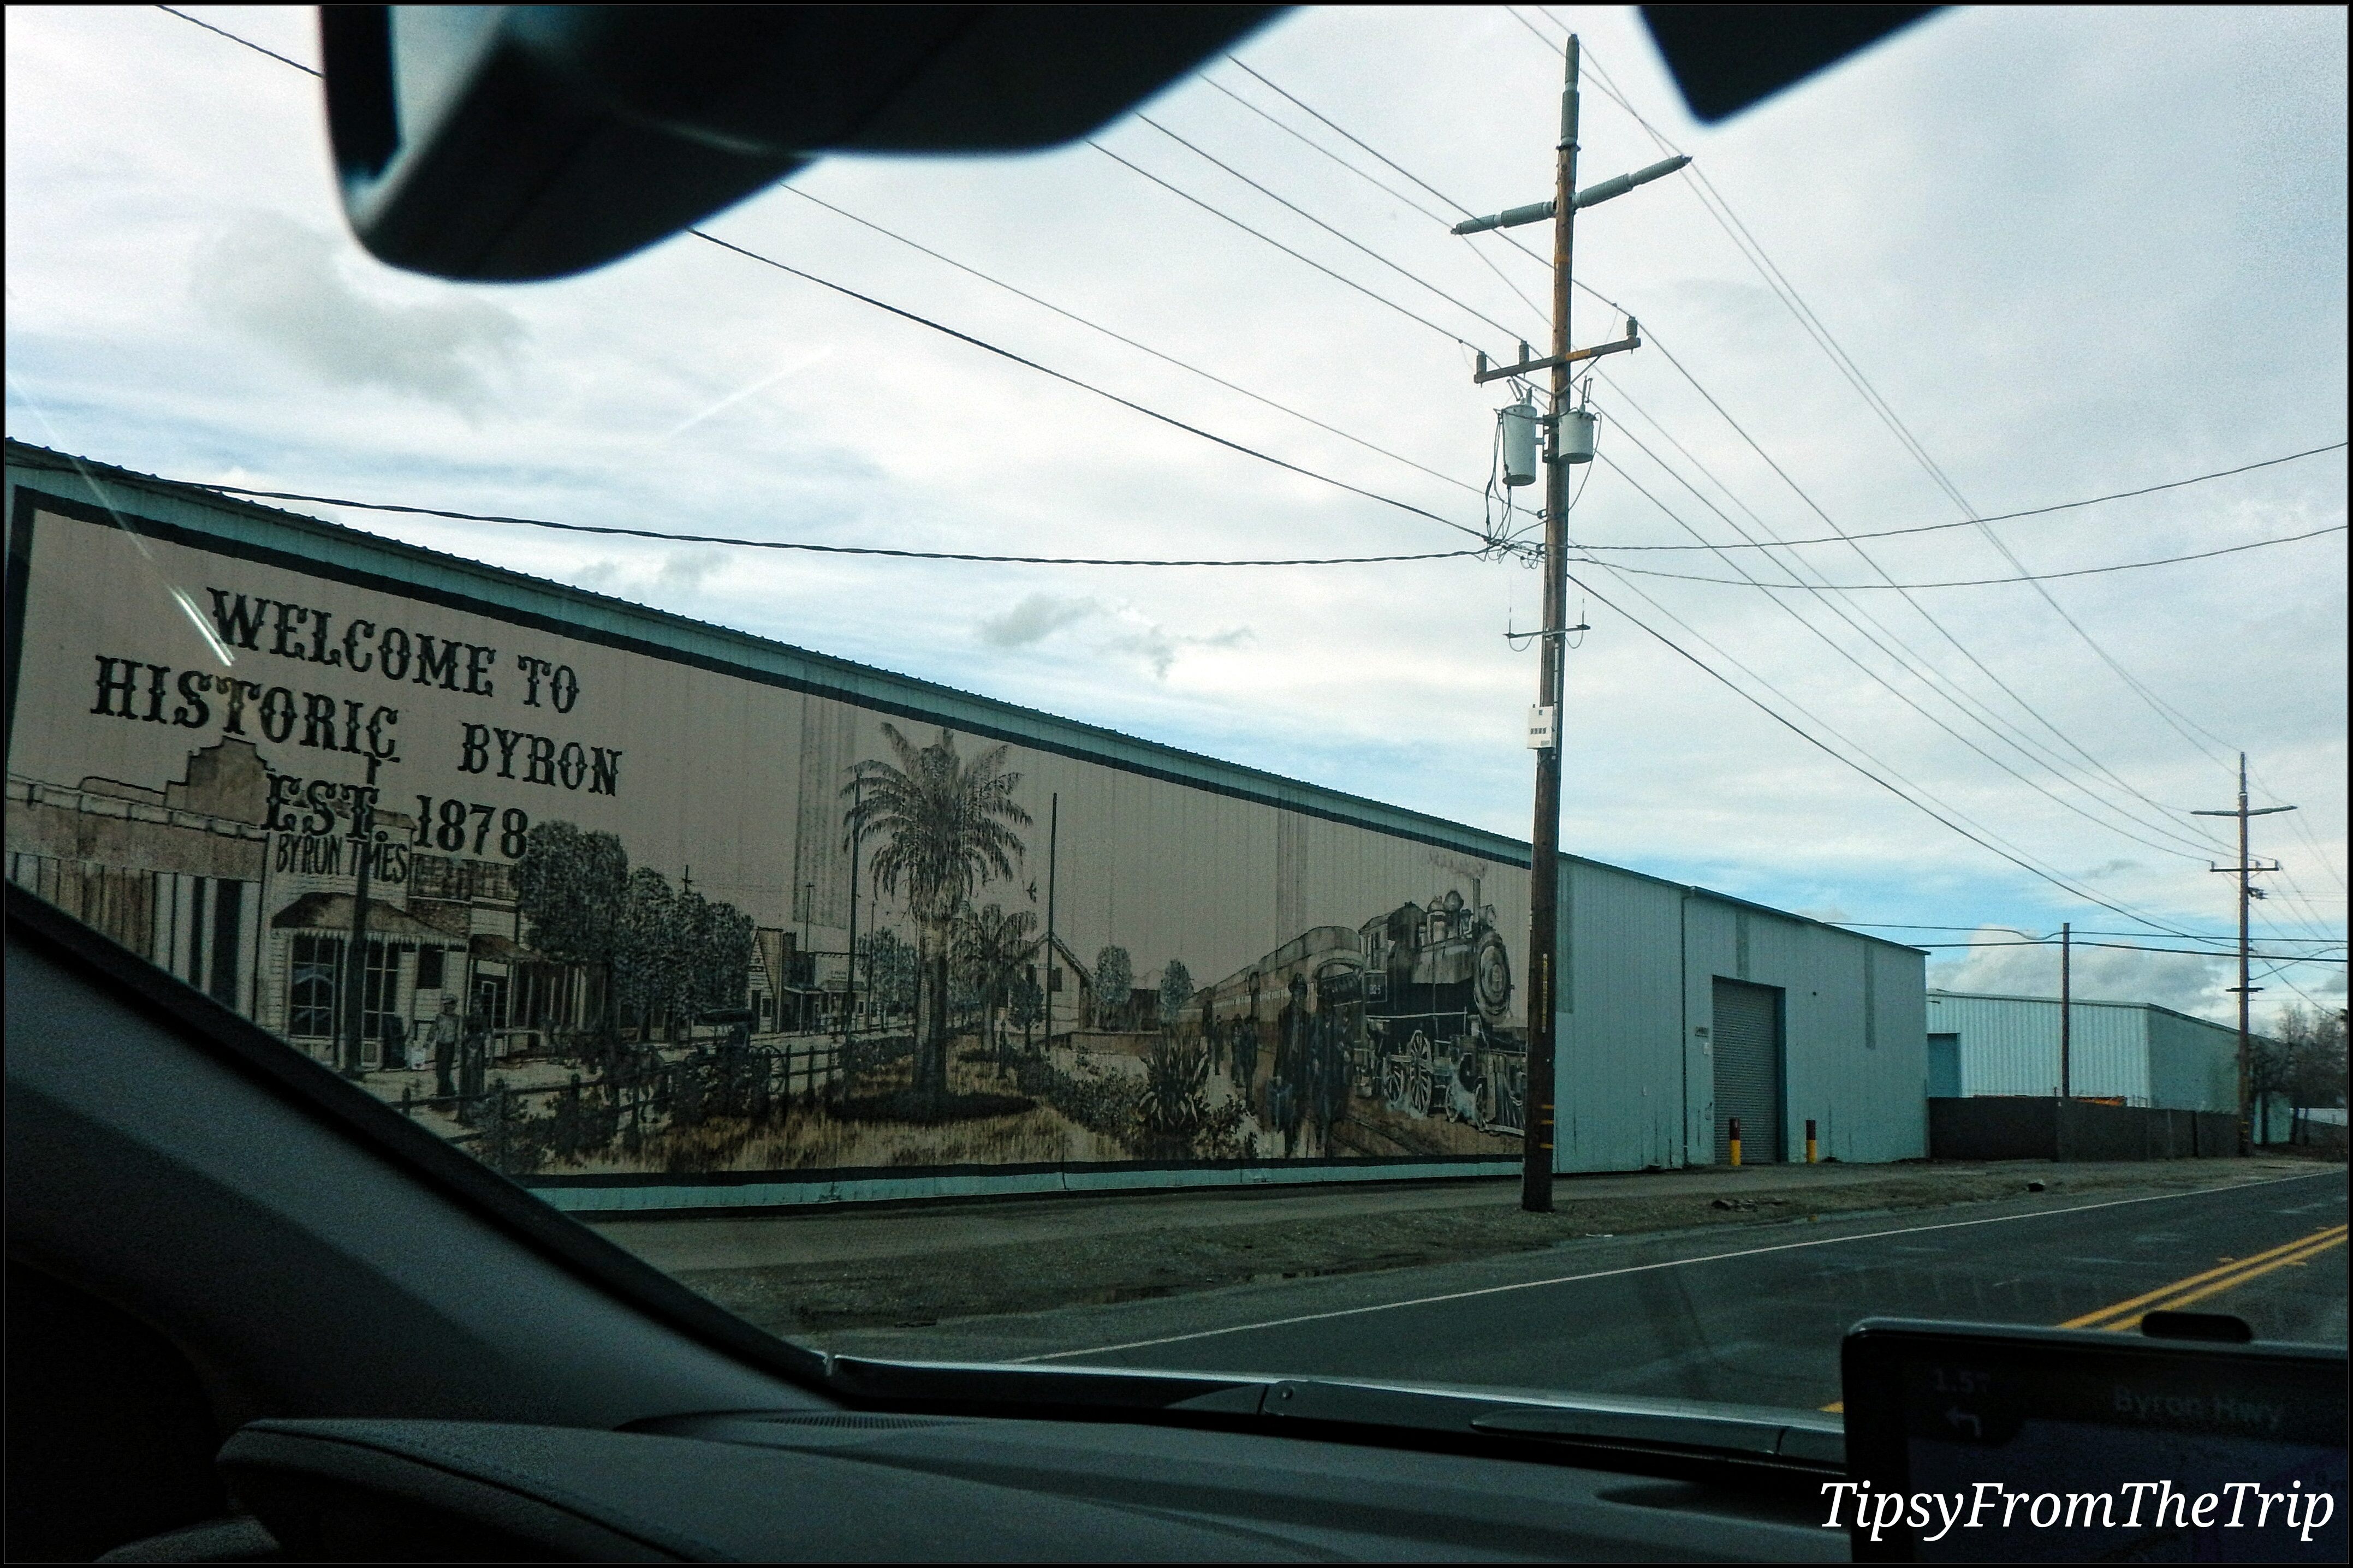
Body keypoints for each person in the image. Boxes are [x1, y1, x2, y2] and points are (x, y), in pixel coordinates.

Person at [430, 996, 461, 1100]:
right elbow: (434, 1029)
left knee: (445, 1069)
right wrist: (428, 1041)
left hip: (450, 1045)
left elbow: (458, 1034)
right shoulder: (440, 1017)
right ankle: (448, 1090)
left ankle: (443, 1093)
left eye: (452, 1004)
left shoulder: (457, 1019)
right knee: (439, 1069)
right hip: (440, 1044)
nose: (450, 1007)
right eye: (447, 1004)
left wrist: (458, 1049)